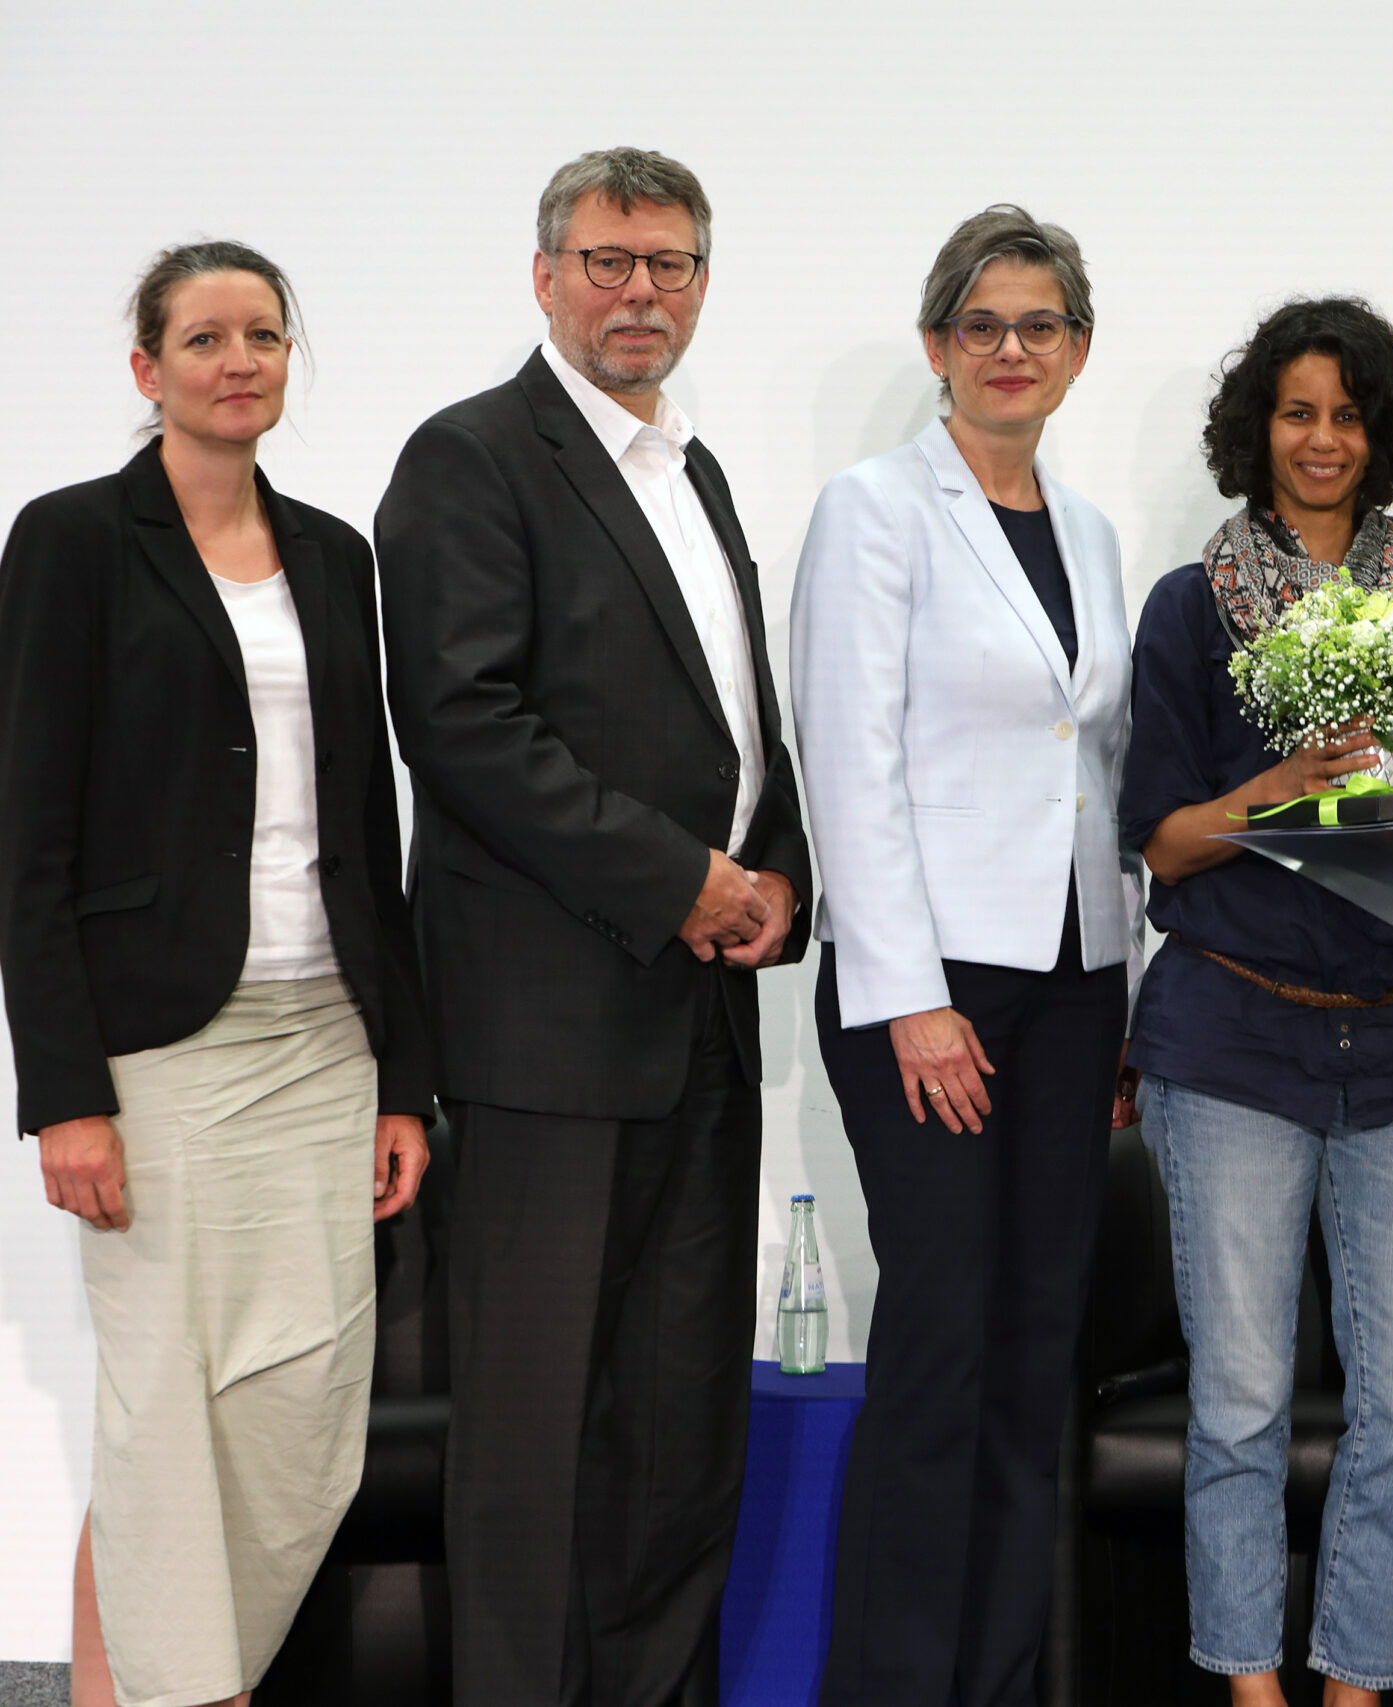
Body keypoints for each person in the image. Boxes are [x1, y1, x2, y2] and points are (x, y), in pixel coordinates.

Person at [374, 147, 810, 1705]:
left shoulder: (692, 468)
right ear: (547, 272)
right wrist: (681, 880)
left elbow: (736, 726)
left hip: (696, 1021)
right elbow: (467, 726)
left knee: (677, 1429)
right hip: (546, 1036)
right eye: (612, 261)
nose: (643, 292)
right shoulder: (471, 457)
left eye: (672, 264)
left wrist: (777, 884)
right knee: (533, 1441)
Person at [0, 241, 431, 1707]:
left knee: (302, 1412)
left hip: (324, 1037)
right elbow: (28, 838)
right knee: (161, 1414)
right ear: (147, 369)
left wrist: (405, 1077)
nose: (237, 361)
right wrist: (62, 1091)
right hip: (156, 1052)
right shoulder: (69, 540)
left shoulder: (333, 552)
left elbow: (368, 821)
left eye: (263, 336)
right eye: (202, 339)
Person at [790, 204, 1133, 1707]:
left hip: (1071, 989)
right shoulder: (875, 509)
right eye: (983, 324)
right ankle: (893, 1685)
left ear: (1076, 350)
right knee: (939, 1346)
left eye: (1040, 324)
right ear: (940, 346)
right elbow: (846, 764)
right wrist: (914, 999)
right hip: (927, 990)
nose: (1012, 349)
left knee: (1033, 1341)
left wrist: (1120, 989)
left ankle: (992, 1680)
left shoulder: (1098, 532)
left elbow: (1096, 765)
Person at [1122, 297, 1393, 1704]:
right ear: (1255, 431)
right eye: (1297, 411)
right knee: (1242, 1406)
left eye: (1347, 413)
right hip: (1230, 1038)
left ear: (1383, 432)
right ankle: (1246, 1684)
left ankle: (1354, 1681)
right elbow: (1162, 840)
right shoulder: (1189, 605)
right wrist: (1275, 793)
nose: (1323, 438)